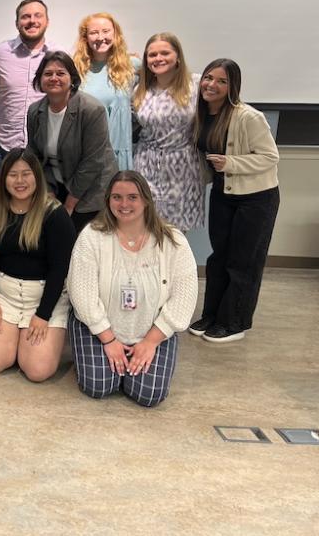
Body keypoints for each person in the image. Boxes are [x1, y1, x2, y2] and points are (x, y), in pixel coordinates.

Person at [67, 171, 198, 407]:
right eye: (117, 197)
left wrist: (150, 342)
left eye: (132, 197)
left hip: (152, 332)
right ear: (108, 200)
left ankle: (131, 363)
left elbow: (184, 298)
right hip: (99, 328)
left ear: (146, 200)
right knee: (98, 386)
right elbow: (82, 295)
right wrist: (108, 340)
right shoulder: (91, 237)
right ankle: (105, 363)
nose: (124, 204)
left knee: (149, 395)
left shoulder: (173, 241)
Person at [188, 59, 280, 343]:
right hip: (223, 194)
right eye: (208, 78)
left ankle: (234, 323)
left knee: (243, 262)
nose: (212, 85)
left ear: (232, 87)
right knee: (219, 259)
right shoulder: (202, 115)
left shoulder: (248, 116)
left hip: (255, 199)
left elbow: (270, 157)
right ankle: (212, 315)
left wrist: (231, 163)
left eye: (222, 81)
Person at [0, 149, 74, 382]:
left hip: (44, 299)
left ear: (37, 177)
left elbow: (60, 269)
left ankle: (26, 342)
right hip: (4, 296)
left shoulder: (55, 214)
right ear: (3, 179)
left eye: (26, 174)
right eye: (13, 175)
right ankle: (14, 339)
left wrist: (42, 315)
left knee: (37, 371)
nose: (20, 181)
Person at [26, 51, 116, 232]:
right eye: (48, 73)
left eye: (60, 73)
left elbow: (92, 162)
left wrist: (68, 205)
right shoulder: (35, 111)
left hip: (91, 192)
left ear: (72, 79)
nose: (54, 78)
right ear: (40, 79)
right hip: (56, 189)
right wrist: (49, 193)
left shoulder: (92, 110)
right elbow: (35, 156)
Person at [132, 33, 204, 231]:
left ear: (178, 56)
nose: (158, 58)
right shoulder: (139, 89)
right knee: (144, 229)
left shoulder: (196, 85)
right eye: (152, 54)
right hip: (145, 165)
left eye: (165, 53)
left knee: (176, 235)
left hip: (183, 168)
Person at [0, 0, 57, 157]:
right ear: (17, 23)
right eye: (26, 16)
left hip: (45, 149)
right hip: (4, 148)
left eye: (38, 15)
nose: (32, 21)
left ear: (47, 21)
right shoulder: (1, 52)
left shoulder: (58, 54)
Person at [73, 13, 140, 170]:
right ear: (85, 38)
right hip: (88, 152)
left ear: (115, 34)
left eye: (106, 31)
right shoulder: (76, 68)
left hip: (121, 151)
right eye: (94, 32)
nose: (100, 37)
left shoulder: (132, 65)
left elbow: (162, 80)